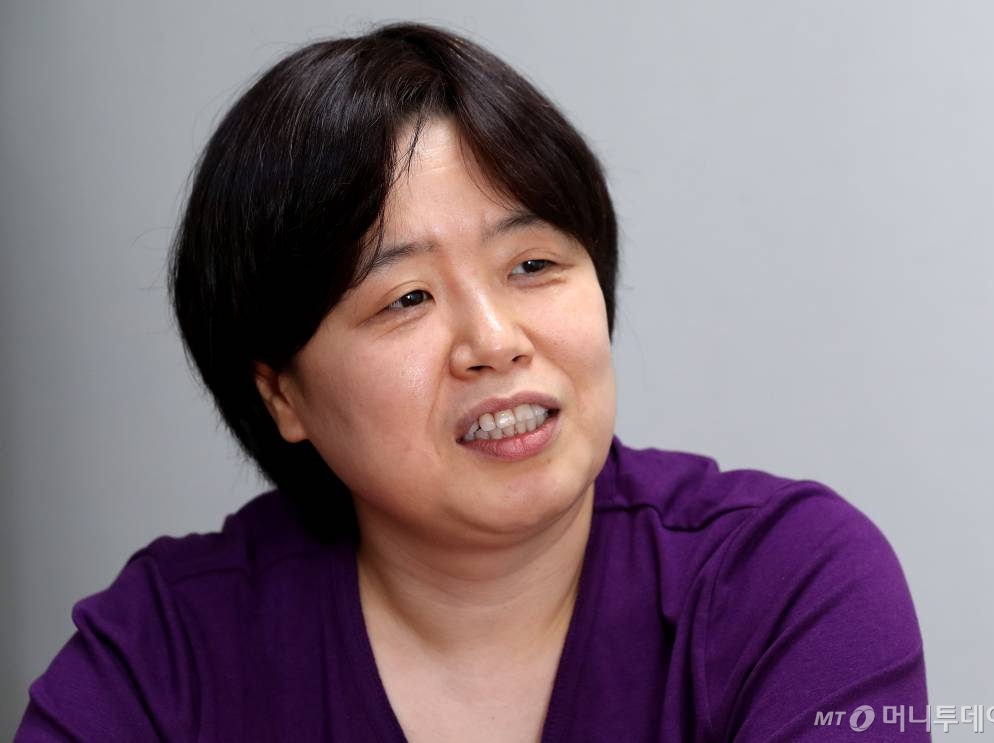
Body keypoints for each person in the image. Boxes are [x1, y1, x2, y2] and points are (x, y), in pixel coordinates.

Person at [15, 23, 928, 742]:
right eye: (406, 297)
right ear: (283, 394)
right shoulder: (165, 653)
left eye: (532, 265)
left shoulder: (788, 584)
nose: (494, 342)